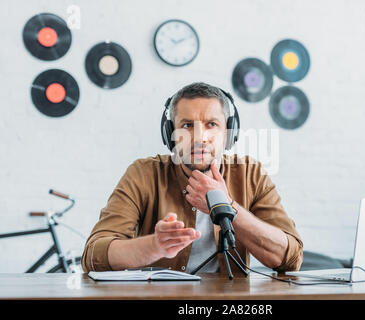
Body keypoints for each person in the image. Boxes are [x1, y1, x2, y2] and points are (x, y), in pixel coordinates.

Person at [81, 82, 303, 274]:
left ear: (228, 133)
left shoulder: (250, 174)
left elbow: (290, 258)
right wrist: (154, 246)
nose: (199, 138)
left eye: (212, 124)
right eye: (187, 125)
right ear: (170, 133)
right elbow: (93, 256)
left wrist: (229, 207)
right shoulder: (143, 173)